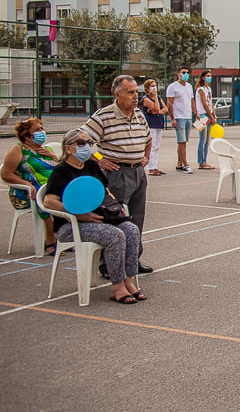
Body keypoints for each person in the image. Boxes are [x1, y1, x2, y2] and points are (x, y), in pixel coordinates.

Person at [42, 129, 146, 304]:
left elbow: (103, 191)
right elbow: (48, 201)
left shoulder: (91, 166)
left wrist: (113, 207)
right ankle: (117, 286)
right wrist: (78, 214)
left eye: (89, 143)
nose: (87, 147)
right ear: (69, 149)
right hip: (71, 225)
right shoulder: (62, 171)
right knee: (114, 235)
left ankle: (128, 279)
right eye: (81, 144)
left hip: (98, 217)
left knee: (131, 229)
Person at [83, 75, 153, 275]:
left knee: (136, 219)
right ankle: (109, 265)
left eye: (136, 92)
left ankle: (132, 260)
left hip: (137, 171)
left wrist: (145, 157)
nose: (134, 97)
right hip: (117, 173)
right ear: (117, 94)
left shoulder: (139, 115)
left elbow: (148, 139)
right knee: (115, 219)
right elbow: (81, 140)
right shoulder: (103, 116)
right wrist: (99, 159)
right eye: (130, 93)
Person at [2, 118, 59, 254]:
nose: (42, 132)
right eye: (37, 130)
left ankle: (66, 237)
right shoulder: (18, 150)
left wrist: (54, 157)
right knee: (45, 194)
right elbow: (6, 174)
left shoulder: (46, 150)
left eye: (42, 128)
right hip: (27, 192)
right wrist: (27, 184)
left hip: (51, 187)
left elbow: (60, 169)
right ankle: (50, 241)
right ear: (26, 135)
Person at [166, 67, 196, 174]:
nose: (186, 74)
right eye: (184, 73)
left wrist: (195, 113)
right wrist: (172, 118)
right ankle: (185, 164)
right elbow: (169, 103)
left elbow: (192, 100)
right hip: (179, 117)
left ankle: (179, 163)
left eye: (187, 73)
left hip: (188, 117)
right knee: (181, 142)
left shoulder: (189, 86)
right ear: (178, 74)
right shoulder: (172, 87)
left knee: (184, 142)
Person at [141, 78, 168, 176]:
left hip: (158, 123)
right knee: (151, 146)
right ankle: (150, 167)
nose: (154, 88)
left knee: (156, 146)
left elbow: (165, 109)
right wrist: (155, 97)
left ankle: (155, 166)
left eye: (155, 86)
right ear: (147, 88)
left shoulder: (159, 97)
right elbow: (156, 108)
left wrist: (158, 111)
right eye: (152, 86)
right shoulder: (146, 99)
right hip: (151, 124)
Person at [194, 69, 216, 170]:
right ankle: (201, 161)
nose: (209, 77)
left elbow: (210, 102)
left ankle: (205, 160)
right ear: (203, 77)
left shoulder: (209, 89)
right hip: (202, 115)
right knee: (202, 139)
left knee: (207, 140)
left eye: (210, 76)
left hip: (209, 114)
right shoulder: (200, 89)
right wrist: (210, 116)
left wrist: (214, 114)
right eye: (207, 75)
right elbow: (204, 104)